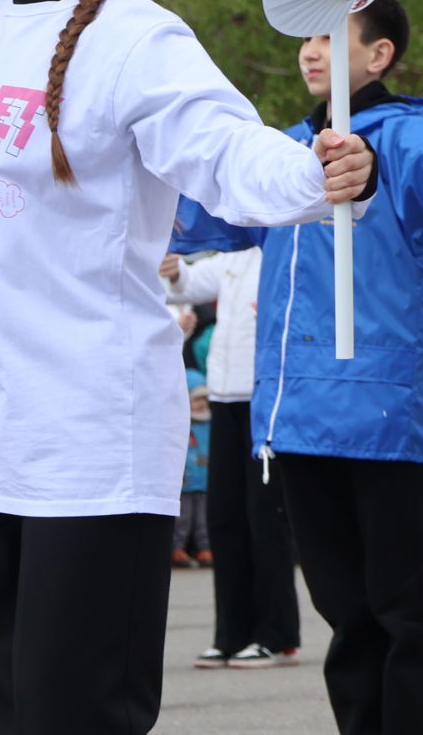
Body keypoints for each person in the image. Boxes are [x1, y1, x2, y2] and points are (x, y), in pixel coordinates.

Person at [0, 0, 372, 735]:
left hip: (89, 449)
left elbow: (228, 153)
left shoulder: (138, 40)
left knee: (73, 717)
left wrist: (319, 169)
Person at [182, 0, 423, 735]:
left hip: (380, 410)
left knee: (402, 608)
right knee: (345, 613)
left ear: (379, 55)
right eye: (306, 38)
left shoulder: (404, 138)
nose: (310, 51)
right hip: (297, 414)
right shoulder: (286, 150)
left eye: (331, 39)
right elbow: (206, 210)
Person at [161, 230, 304, 669]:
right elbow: (190, 282)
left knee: (265, 519)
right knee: (225, 518)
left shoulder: (285, 246)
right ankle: (231, 633)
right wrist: (175, 270)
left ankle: (277, 635)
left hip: (267, 398)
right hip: (225, 398)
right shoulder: (232, 253)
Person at [176, 370, 214, 568]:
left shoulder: (210, 425)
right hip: (186, 482)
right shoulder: (183, 425)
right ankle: (177, 548)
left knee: (203, 519)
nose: (201, 404)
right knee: (183, 519)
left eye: (204, 399)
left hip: (204, 480)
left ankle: (204, 548)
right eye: (196, 400)